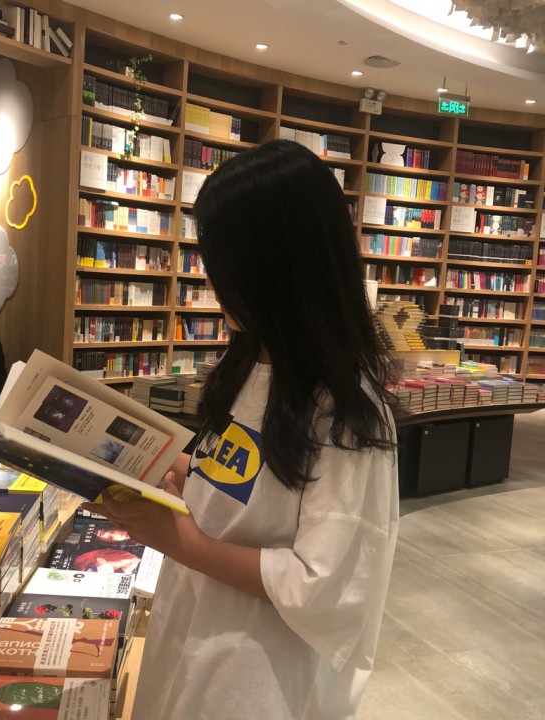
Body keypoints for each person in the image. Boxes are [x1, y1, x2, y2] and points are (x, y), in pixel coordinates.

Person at [83, 139, 399, 720]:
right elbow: (244, 481)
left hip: (259, 678)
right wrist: (166, 465)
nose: (214, 281)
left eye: (227, 267)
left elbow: (321, 584)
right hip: (198, 636)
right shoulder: (252, 360)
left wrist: (180, 540)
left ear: (279, 271)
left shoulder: (346, 411)